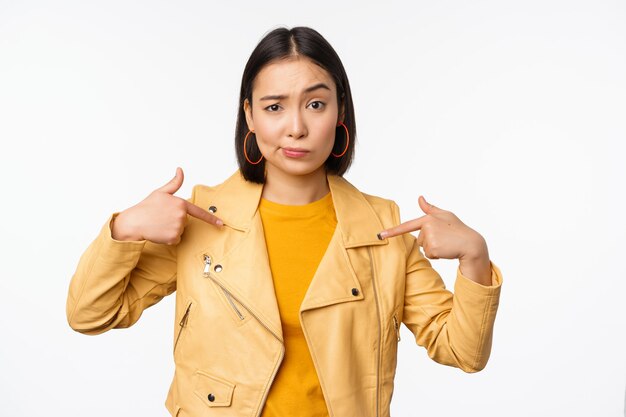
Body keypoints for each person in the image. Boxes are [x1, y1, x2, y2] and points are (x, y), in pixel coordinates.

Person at [66, 26, 503, 417]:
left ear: (340, 112)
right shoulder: (202, 218)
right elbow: (89, 314)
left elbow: (463, 351)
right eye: (274, 107)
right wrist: (123, 228)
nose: (296, 127)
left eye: (315, 103)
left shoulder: (384, 229)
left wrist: (474, 258)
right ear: (250, 117)